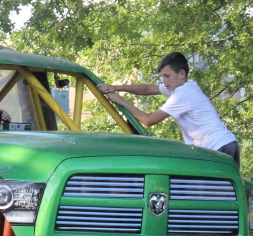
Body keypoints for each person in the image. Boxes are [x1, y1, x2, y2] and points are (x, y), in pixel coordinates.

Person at [98, 52, 240, 165]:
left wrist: (119, 99)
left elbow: (149, 120)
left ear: (182, 74)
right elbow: (147, 88)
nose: (164, 81)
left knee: (211, 195)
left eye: (167, 76)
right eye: (162, 77)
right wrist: (116, 87)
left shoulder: (183, 94)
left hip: (218, 148)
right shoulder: (181, 87)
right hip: (225, 144)